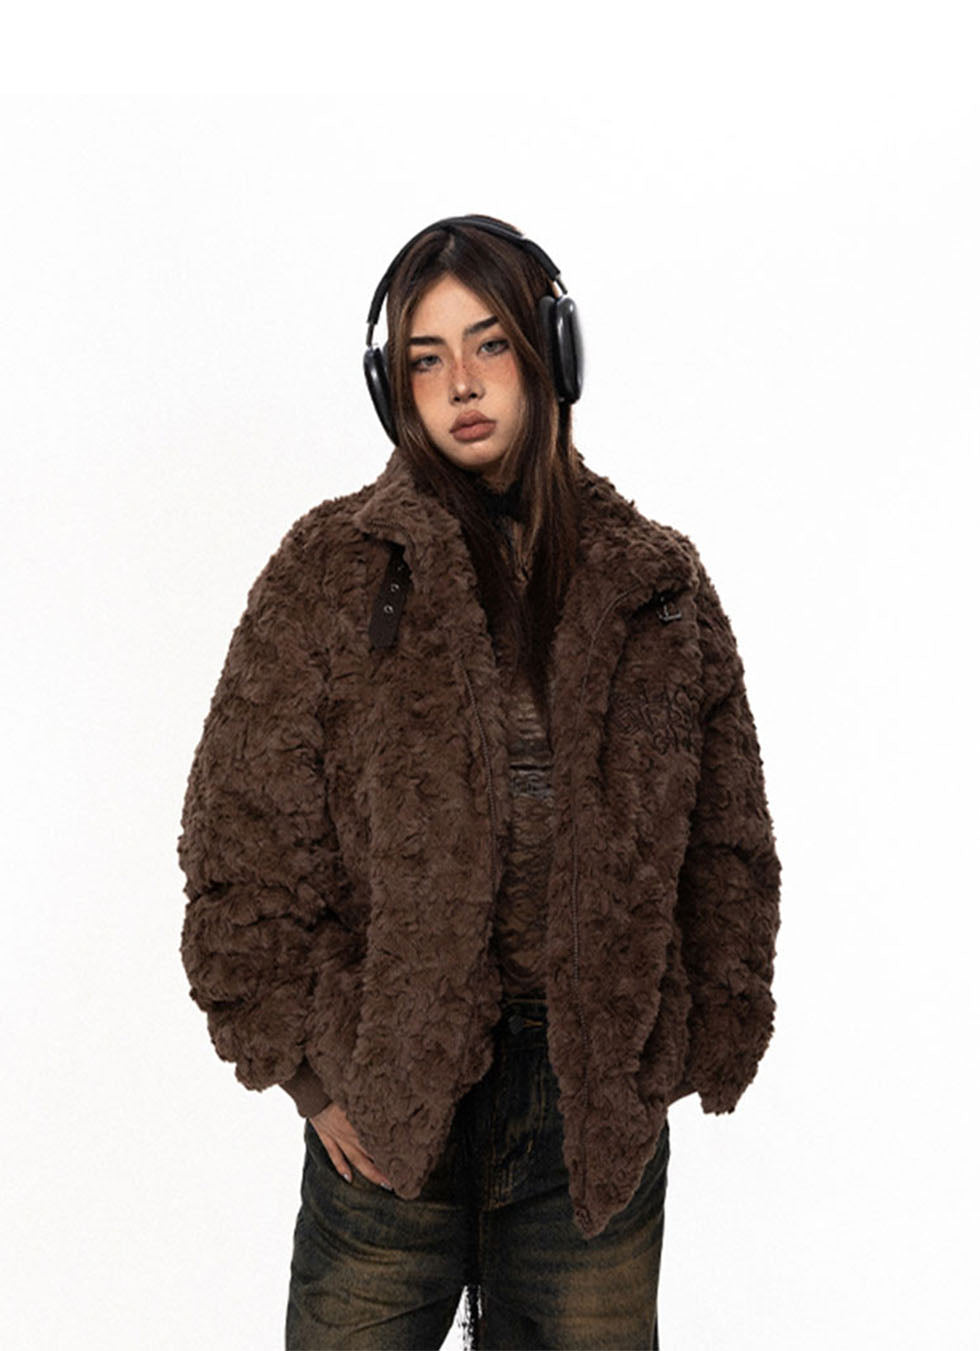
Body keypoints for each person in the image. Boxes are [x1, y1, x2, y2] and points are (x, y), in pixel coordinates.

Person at [176, 214, 782, 1350]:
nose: (460, 382)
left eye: (490, 342)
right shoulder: (330, 569)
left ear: (552, 348)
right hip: (391, 1085)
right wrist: (312, 1071)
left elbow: (727, 840)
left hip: (588, 1113)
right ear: (390, 384)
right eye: (425, 357)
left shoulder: (655, 583)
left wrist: (671, 1051)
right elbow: (241, 829)